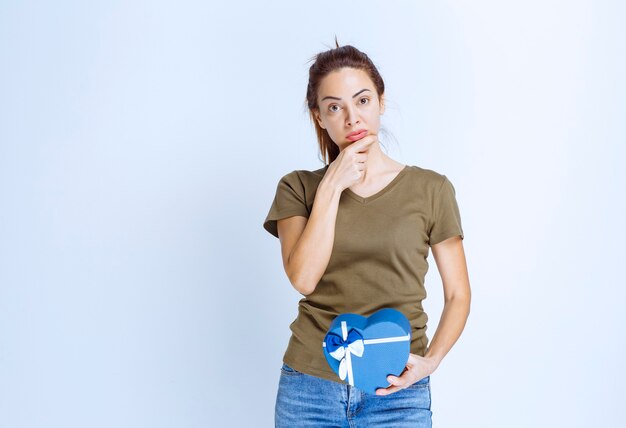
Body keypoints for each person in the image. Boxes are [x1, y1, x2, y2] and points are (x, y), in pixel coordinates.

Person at [263, 39, 471, 428]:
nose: (351, 119)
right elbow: (304, 278)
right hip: (310, 389)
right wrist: (331, 186)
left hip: (398, 390)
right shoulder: (298, 188)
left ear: (381, 102)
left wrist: (432, 360)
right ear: (319, 118)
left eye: (362, 101)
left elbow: (458, 293)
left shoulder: (431, 190)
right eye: (334, 107)